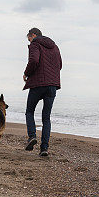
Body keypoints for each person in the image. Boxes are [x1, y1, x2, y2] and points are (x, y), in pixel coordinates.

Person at [23, 27, 62, 157]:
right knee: (46, 118)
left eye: (28, 38)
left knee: (29, 111)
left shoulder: (35, 44)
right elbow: (60, 65)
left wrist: (26, 74)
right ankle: (44, 148)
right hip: (52, 85)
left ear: (33, 35)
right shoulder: (55, 47)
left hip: (38, 84)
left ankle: (32, 136)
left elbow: (34, 60)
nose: (28, 42)